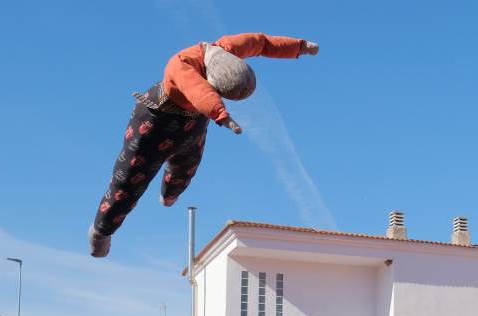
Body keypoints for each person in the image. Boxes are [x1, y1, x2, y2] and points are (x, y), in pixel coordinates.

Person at [89, 33, 319, 257]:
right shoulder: (181, 64)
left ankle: (170, 194)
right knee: (129, 182)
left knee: (187, 167)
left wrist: (298, 46)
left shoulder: (226, 48)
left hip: (193, 125)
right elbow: (199, 91)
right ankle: (101, 232)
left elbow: (260, 43)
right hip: (155, 124)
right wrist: (221, 114)